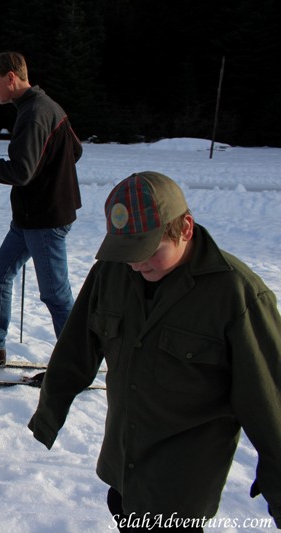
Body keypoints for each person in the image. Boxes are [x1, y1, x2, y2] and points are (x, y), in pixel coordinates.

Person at [28, 171, 281, 530]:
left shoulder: (236, 295)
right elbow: (75, 348)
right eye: (126, 251)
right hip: (122, 468)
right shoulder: (111, 274)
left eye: (148, 251)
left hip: (178, 487)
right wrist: (50, 413)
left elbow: (271, 402)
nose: (135, 263)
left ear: (186, 229)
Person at [0, 51, 83, 365]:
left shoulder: (36, 112)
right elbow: (74, 150)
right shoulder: (42, 106)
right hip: (30, 217)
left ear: (11, 77)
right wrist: (48, 176)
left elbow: (20, 172)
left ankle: (74, 364)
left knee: (55, 294)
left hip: (45, 219)